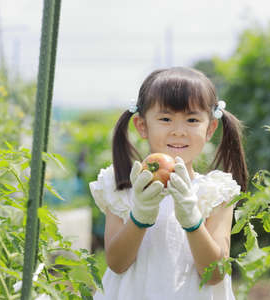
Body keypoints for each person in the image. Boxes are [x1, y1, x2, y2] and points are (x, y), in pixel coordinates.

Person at [89, 67, 248, 299]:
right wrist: (140, 215)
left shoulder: (215, 192)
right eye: (165, 119)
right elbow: (116, 263)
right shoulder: (123, 187)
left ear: (210, 128)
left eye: (192, 120)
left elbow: (215, 274)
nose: (179, 131)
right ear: (142, 126)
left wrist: (192, 221)